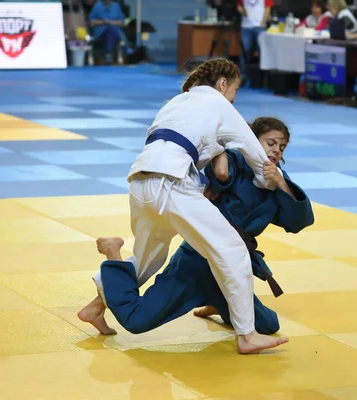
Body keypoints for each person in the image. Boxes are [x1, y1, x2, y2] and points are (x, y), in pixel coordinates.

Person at [78, 58, 288, 354]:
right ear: (223, 83)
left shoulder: (176, 102)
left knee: (147, 259)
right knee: (232, 250)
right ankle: (247, 335)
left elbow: (179, 146)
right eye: (235, 90)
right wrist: (272, 182)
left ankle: (95, 307)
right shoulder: (219, 105)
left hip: (140, 180)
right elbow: (255, 152)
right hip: (172, 183)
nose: (234, 98)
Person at [79, 117, 314, 339]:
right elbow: (221, 173)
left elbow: (297, 222)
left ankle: (218, 301)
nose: (276, 150)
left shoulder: (277, 182)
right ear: (252, 141)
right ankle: (113, 254)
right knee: (137, 320)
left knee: (269, 325)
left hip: (231, 267)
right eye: (270, 143)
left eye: (282, 147)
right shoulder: (236, 161)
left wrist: (281, 183)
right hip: (197, 261)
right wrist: (222, 142)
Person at [236, 0, 274, 85]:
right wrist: (242, 11)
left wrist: (263, 23)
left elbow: (268, 8)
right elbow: (239, 6)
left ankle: (265, 77)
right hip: (246, 27)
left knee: (262, 52)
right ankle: (243, 75)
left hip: (259, 26)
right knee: (244, 51)